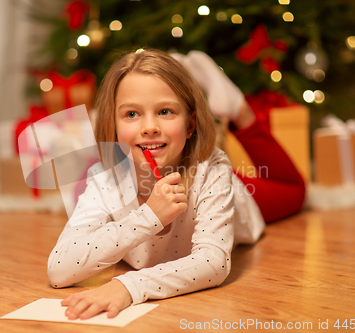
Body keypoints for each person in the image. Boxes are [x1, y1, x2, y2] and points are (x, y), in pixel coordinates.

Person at [47, 48, 305, 320]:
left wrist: (127, 285)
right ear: (112, 124)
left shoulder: (214, 169)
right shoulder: (104, 179)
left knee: (295, 191)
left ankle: (239, 110)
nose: (149, 127)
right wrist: (149, 217)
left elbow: (213, 262)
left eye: (165, 111)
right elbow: (59, 268)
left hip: (230, 193)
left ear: (191, 123)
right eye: (132, 114)